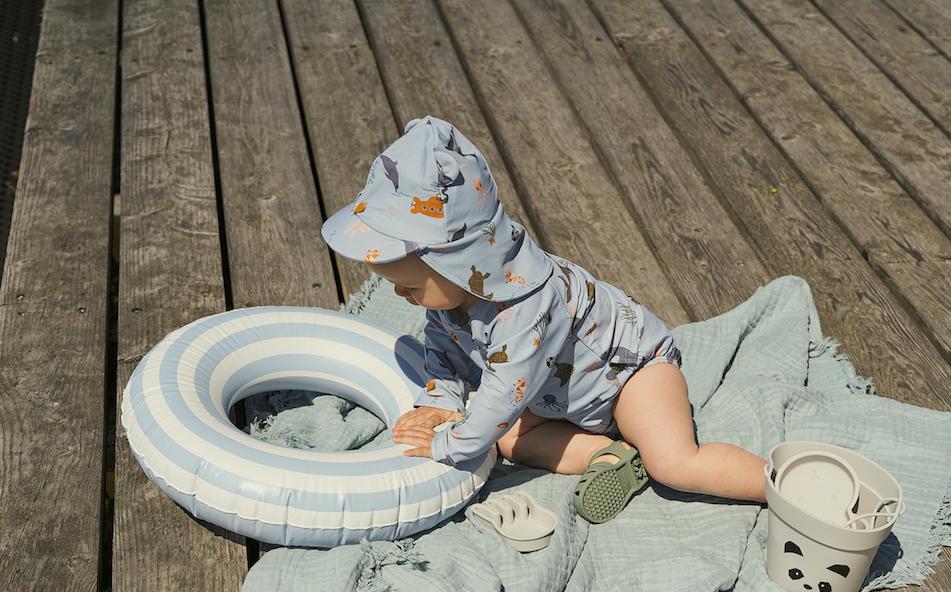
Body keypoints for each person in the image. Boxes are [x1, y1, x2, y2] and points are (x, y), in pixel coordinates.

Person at [321, 115, 767, 523]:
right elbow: (442, 348)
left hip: (630, 375)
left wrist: (448, 444)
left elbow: (500, 394)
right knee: (511, 441)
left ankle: (779, 485)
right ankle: (613, 455)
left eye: (410, 286)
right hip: (557, 399)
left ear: (455, 262)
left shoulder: (526, 307)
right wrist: (443, 401)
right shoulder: (452, 297)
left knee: (673, 464)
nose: (401, 295)